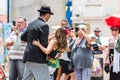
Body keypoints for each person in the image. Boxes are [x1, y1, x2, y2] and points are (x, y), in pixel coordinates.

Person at [21, 5, 54, 80]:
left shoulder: (31, 24)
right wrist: (53, 54)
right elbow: (44, 43)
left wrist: (31, 40)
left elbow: (23, 37)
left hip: (28, 56)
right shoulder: (44, 25)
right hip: (38, 58)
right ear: (47, 14)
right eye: (50, 15)